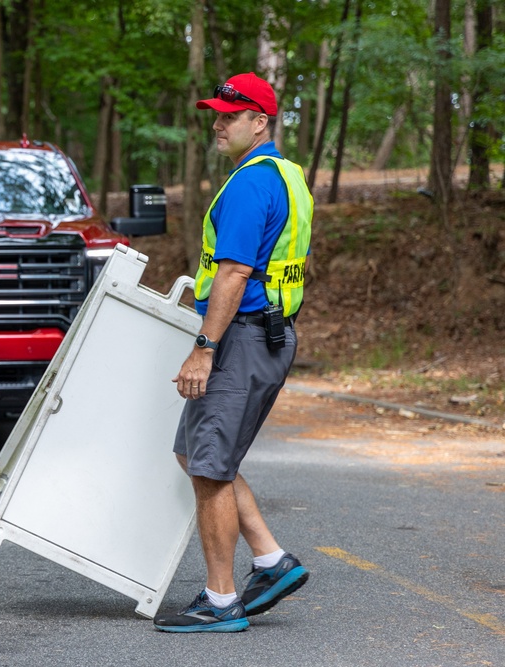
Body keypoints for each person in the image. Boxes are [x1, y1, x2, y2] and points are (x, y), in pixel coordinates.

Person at [153, 72, 313, 634]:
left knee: (211, 467)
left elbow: (235, 271)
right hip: (264, 333)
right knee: (196, 454)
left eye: (230, 115)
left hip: (242, 335)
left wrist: (204, 348)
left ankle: (220, 602)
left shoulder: (250, 183)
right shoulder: (287, 176)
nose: (218, 124)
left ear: (260, 121)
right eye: (217, 114)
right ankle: (271, 561)